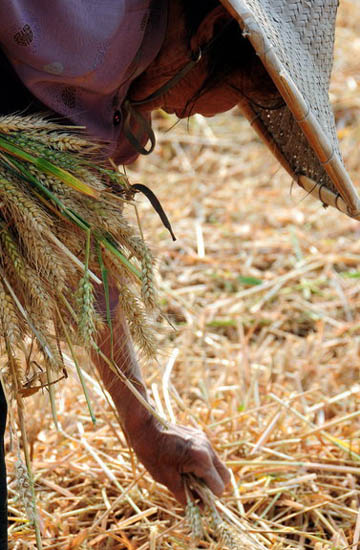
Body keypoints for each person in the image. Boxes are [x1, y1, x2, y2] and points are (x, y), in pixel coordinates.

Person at [0, 0, 278, 513]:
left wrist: (144, 422)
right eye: (233, 93)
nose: (194, 114)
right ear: (211, 29)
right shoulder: (86, 18)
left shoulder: (118, 91)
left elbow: (85, 246)